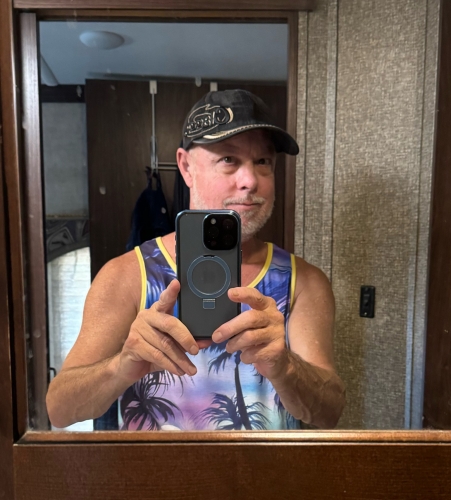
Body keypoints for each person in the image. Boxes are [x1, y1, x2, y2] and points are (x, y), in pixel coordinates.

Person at [46, 89, 345, 431]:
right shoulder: (127, 275)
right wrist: (122, 365)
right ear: (186, 167)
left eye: (263, 161)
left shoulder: (303, 282)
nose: (250, 181)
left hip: (269, 469)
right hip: (155, 469)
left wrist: (286, 368)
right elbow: (60, 409)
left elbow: (329, 414)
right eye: (229, 159)